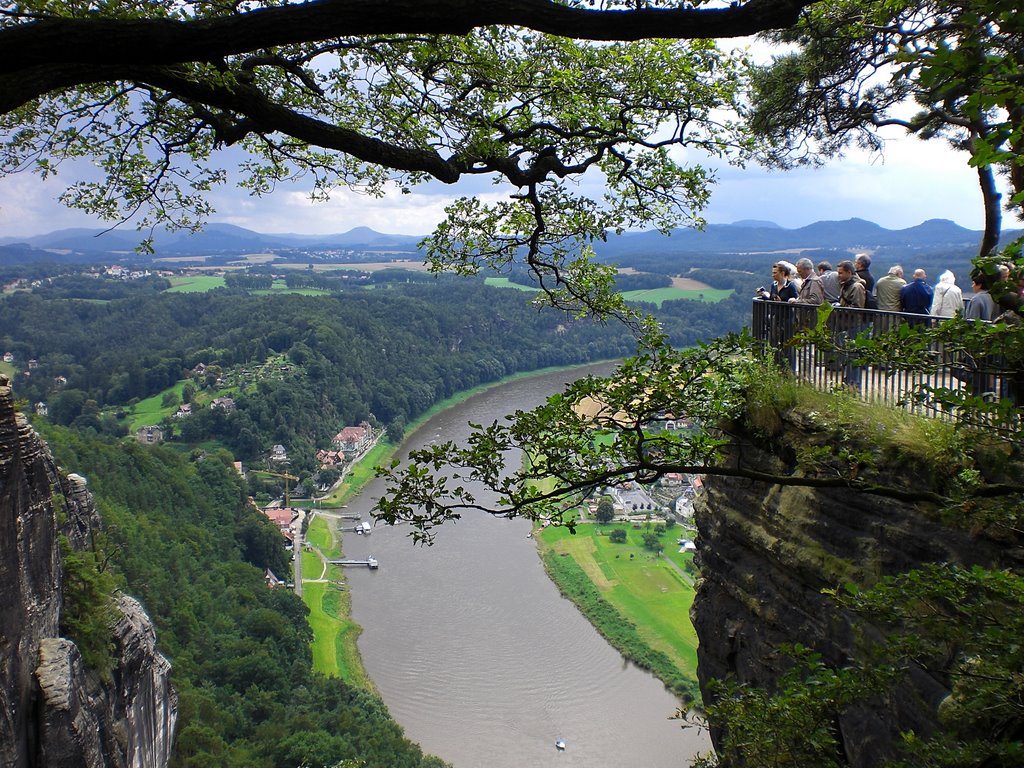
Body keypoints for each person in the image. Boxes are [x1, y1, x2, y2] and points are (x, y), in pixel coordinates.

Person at [835, 260, 866, 390]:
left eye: (841, 273)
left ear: (849, 272)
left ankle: (854, 385)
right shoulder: (846, 285)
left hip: (854, 324)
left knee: (853, 355)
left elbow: (857, 308)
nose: (839, 276)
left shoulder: (856, 287)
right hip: (846, 324)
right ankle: (849, 382)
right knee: (848, 355)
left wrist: (840, 307)